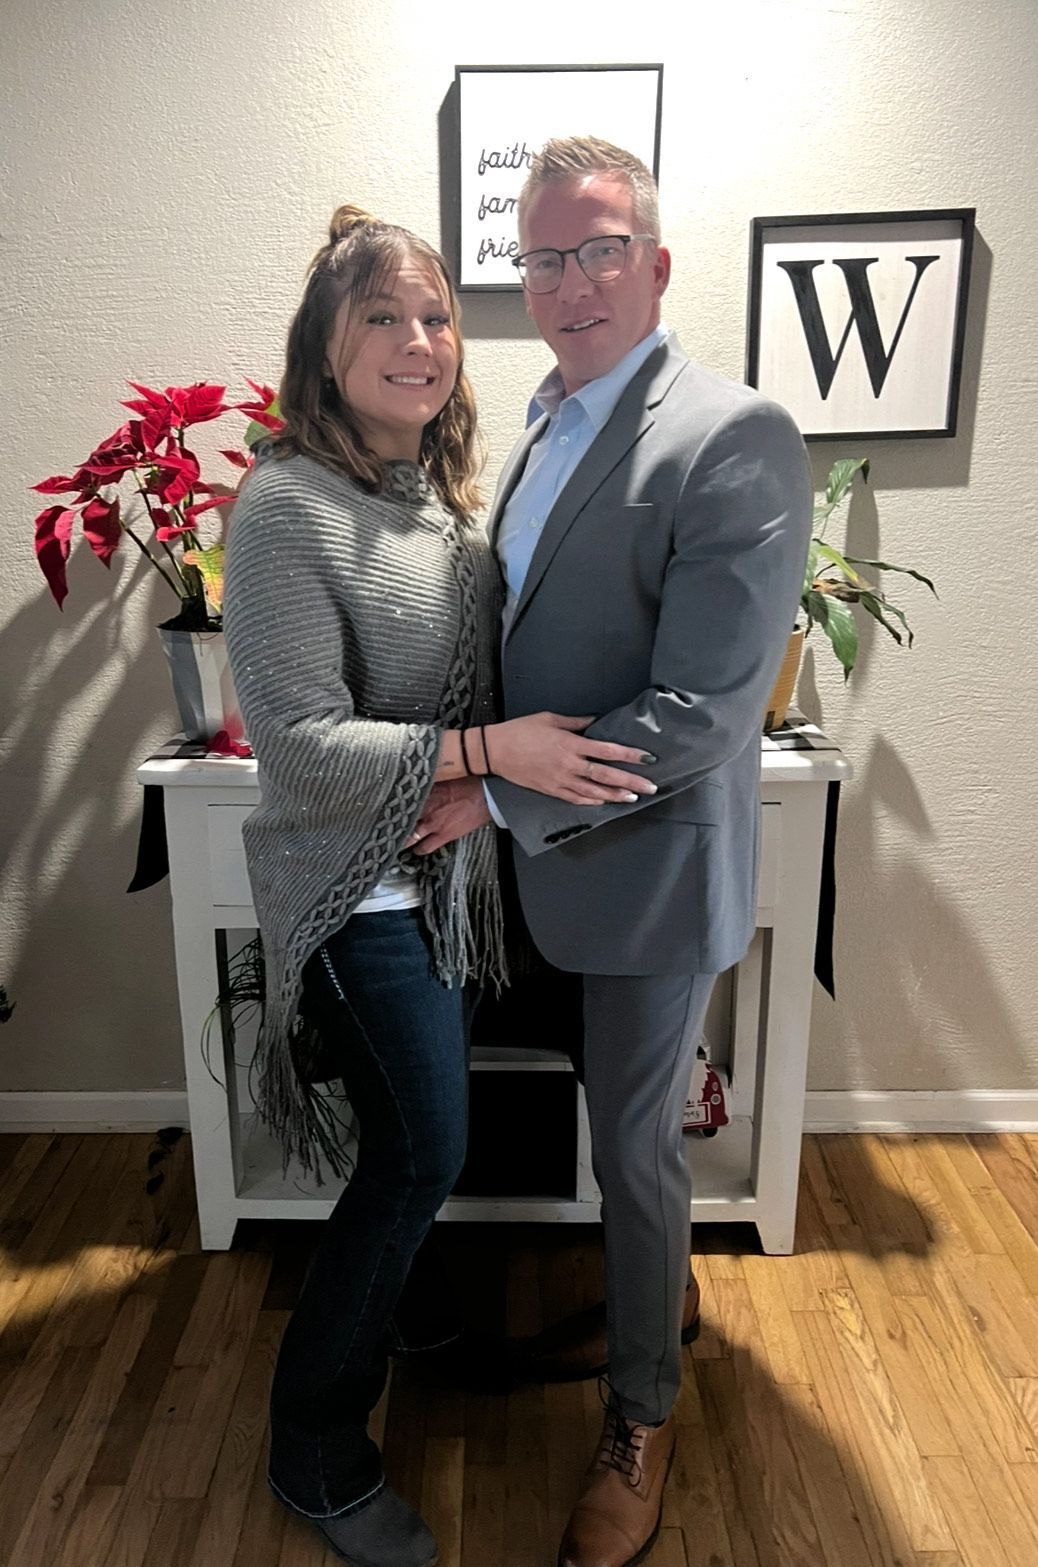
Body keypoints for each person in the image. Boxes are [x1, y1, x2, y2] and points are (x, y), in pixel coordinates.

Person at [221, 204, 656, 1567]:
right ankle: (313, 1445)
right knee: (423, 1153)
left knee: (420, 1149)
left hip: (454, 883)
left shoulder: (443, 497)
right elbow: (295, 743)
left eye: (433, 317)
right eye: (381, 318)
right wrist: (486, 752)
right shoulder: (286, 505)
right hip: (353, 894)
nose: (418, 341)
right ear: (325, 346)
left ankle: (412, 1324)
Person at [409, 138, 813, 1567]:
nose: (568, 280)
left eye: (596, 250)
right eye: (541, 257)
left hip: (635, 871)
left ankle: (641, 1416)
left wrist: (503, 797)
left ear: (653, 260)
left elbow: (701, 710)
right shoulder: (544, 415)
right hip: (525, 862)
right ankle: (634, 1325)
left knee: (633, 1156)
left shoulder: (730, 431)